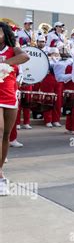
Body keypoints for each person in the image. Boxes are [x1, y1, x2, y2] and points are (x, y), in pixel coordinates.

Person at [0, 22, 30, 196]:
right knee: (0, 129)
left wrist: (4, 63)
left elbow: (25, 57)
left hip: (10, 95)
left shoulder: (13, 49)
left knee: (6, 135)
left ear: (5, 34)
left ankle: (0, 170)